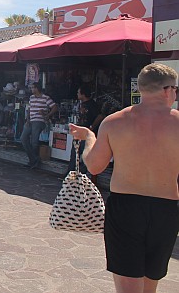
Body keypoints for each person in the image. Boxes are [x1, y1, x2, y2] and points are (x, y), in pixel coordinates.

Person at [70, 63, 179, 293]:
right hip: (166, 209)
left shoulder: (114, 121)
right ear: (168, 91)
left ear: (141, 89)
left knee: (129, 288)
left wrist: (89, 137)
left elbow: (95, 166)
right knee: (150, 286)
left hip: (126, 208)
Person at [66, 85, 104, 176]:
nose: (77, 94)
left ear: (83, 94)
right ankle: (71, 172)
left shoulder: (92, 104)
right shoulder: (81, 104)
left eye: (79, 93)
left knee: (82, 153)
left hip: (86, 132)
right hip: (79, 131)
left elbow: (100, 116)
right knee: (75, 152)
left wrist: (92, 127)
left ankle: (79, 173)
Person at [20, 82, 57, 169]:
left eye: (33, 88)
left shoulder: (45, 98)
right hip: (31, 120)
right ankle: (34, 159)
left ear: (37, 88)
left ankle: (33, 161)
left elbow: (54, 107)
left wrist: (47, 115)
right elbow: (29, 109)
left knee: (34, 141)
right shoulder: (31, 97)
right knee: (23, 138)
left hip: (39, 120)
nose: (31, 89)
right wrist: (28, 119)